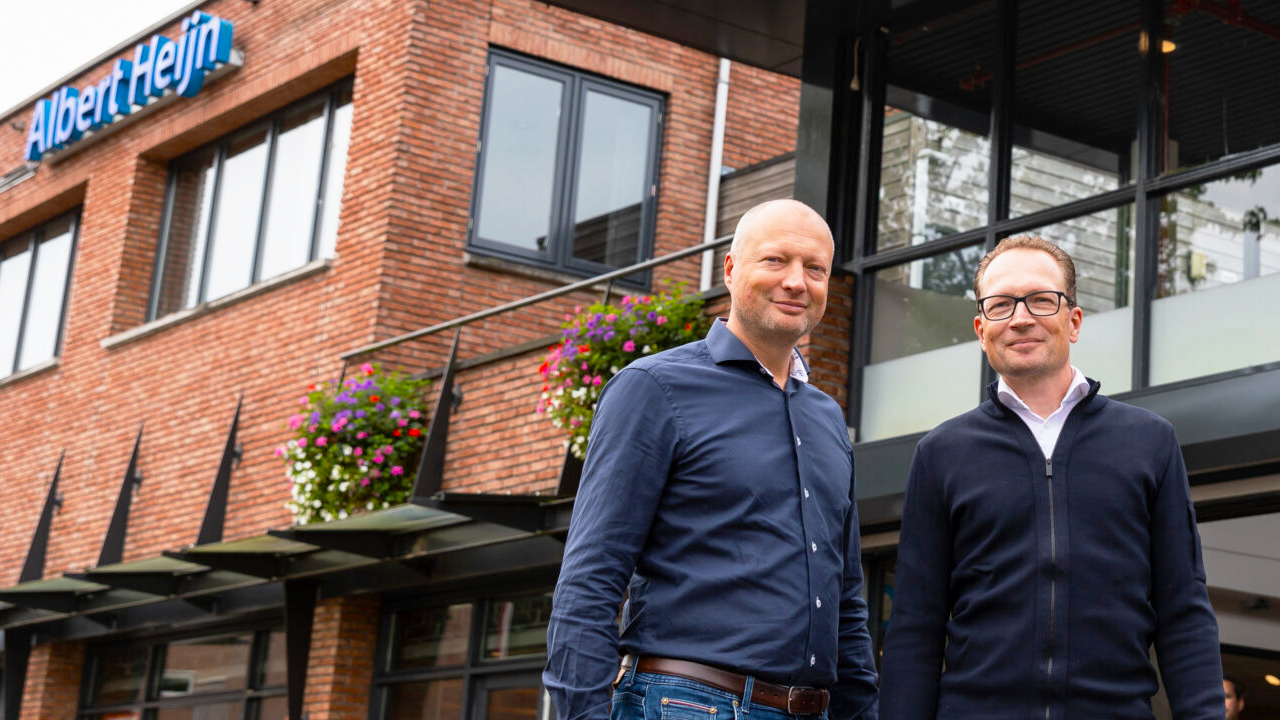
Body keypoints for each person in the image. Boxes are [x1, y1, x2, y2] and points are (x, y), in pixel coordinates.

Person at [544, 199, 879, 720]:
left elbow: (847, 600)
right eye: (775, 260)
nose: (797, 281)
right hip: (686, 704)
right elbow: (591, 578)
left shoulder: (827, 417)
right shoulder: (653, 388)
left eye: (815, 268)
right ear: (729, 269)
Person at [880, 236, 1223, 719]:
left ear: (1074, 321)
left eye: (1041, 299)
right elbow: (916, 624)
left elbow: (1183, 610)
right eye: (1000, 305)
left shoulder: (1149, 442)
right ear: (982, 329)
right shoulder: (941, 453)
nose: (1021, 318)